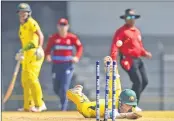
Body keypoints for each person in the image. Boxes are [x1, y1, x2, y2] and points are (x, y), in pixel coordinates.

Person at [110, 9, 152, 104]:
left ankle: (127, 101)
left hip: (138, 59)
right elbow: (115, 45)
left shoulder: (136, 31)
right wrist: (113, 59)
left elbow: (139, 47)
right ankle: (132, 104)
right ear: (125, 19)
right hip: (127, 59)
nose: (131, 19)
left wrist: (145, 53)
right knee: (137, 82)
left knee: (144, 81)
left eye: (133, 17)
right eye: (129, 17)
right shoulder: (121, 31)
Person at [45, 18, 83, 111]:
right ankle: (65, 98)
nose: (62, 27)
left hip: (68, 65)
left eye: (64, 25)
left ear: (67, 26)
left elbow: (80, 47)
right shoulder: (53, 38)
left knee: (64, 87)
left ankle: (63, 108)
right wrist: (48, 56)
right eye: (61, 25)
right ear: (58, 26)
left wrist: (77, 57)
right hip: (56, 66)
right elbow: (47, 49)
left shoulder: (72, 37)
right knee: (56, 88)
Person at [15, 3, 46, 112]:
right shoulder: (22, 25)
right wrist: (22, 52)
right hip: (27, 55)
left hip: (34, 53)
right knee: (25, 80)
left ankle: (40, 104)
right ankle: (28, 106)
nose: (22, 14)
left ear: (29, 13)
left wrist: (40, 47)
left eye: (25, 12)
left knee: (32, 78)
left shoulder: (31, 23)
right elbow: (25, 42)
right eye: (20, 12)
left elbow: (40, 35)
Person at [66, 85, 142, 119]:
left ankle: (79, 92)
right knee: (83, 104)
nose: (129, 107)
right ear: (120, 102)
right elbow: (112, 115)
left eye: (131, 105)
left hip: (97, 106)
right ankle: (76, 92)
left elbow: (139, 111)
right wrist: (127, 115)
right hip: (88, 110)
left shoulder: (125, 104)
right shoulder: (111, 106)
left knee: (88, 102)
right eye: (127, 104)